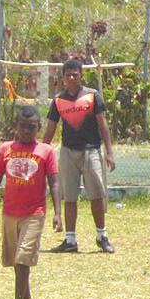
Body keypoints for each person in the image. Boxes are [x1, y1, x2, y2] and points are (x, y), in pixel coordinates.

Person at [0, 104, 59, 299]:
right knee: (14, 261)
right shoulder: (4, 150)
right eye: (23, 127)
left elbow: (54, 181)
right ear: (16, 127)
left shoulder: (46, 152)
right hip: (10, 213)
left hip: (34, 213)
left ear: (39, 127)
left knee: (23, 257)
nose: (27, 131)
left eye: (32, 127)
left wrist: (57, 213)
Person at [41, 56, 116, 253]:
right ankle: (70, 240)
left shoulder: (92, 96)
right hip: (68, 152)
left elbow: (103, 125)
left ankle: (102, 235)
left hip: (91, 151)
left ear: (81, 75)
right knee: (69, 196)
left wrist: (109, 152)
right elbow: (50, 129)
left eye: (75, 75)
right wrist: (40, 154)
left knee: (96, 195)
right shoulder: (58, 101)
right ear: (63, 78)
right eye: (68, 76)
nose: (72, 78)